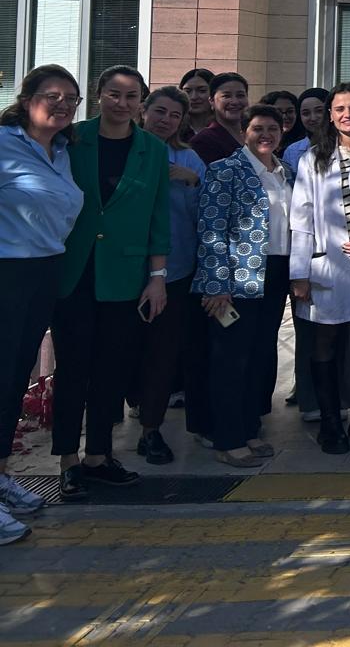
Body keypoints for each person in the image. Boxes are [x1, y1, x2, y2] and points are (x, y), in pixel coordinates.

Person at [55, 67, 170, 498]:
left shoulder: (153, 149)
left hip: (125, 275)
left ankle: (99, 456)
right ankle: (68, 459)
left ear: (141, 101)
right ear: (98, 94)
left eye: (131, 96)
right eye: (113, 94)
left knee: (111, 368)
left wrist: (157, 277)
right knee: (73, 368)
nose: (122, 103)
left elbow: (159, 215)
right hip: (74, 271)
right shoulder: (72, 139)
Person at [0, 66, 86, 542]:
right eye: (52, 96)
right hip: (7, 269)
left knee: (14, 378)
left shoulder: (62, 152)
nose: (62, 105)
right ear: (26, 97)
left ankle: (1, 475)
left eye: (71, 99)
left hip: (44, 270)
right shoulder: (4, 144)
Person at [196, 104, 291, 468]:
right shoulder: (225, 170)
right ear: (243, 133)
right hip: (237, 278)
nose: (265, 135)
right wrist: (216, 284)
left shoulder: (286, 172)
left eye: (272, 128)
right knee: (230, 360)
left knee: (259, 355)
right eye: (257, 129)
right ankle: (228, 439)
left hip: (276, 273)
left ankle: (249, 428)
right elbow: (211, 229)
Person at [288, 82, 350, 456]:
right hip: (328, 262)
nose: (348, 115)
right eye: (339, 109)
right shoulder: (314, 158)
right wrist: (299, 272)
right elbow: (301, 217)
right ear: (330, 115)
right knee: (326, 341)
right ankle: (330, 421)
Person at [132, 87, 207, 466]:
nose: (166, 120)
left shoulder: (188, 158)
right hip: (123, 270)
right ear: (143, 111)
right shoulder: (125, 150)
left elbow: (206, 215)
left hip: (176, 271)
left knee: (162, 354)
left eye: (175, 115)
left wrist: (192, 182)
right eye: (159, 112)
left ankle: (151, 428)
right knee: (123, 353)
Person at [191, 72, 250, 165]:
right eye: (226, 96)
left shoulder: (255, 134)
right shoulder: (203, 141)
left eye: (240, 95)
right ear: (211, 101)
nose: (234, 102)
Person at [283, 88, 330, 177]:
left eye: (319, 111)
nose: (313, 118)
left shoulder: (344, 145)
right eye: (306, 113)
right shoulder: (292, 151)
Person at [179, 68, 215, 137]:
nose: (193, 97)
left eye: (202, 91)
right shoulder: (173, 129)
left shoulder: (226, 128)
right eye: (187, 91)